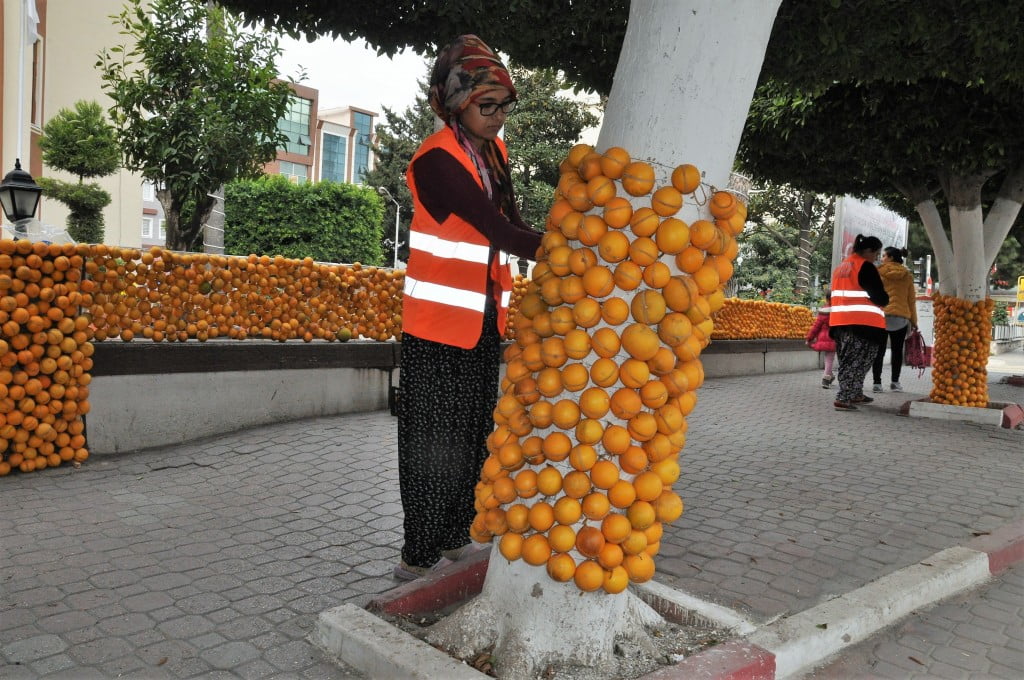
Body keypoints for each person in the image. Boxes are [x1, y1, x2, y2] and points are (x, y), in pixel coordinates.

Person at [394, 35, 542, 581]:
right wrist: (578, 247)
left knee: (473, 432)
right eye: (487, 106)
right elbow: (497, 229)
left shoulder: (492, 154)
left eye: (504, 106)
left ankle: (456, 534)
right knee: (431, 439)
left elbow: (515, 224)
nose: (498, 117)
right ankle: (417, 554)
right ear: (457, 102)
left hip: (481, 322)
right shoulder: (436, 161)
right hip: (435, 327)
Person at [829, 234, 889, 411]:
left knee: (850, 360)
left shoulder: (842, 267)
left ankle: (855, 393)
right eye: (876, 254)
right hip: (862, 324)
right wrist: (885, 298)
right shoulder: (865, 267)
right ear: (868, 251)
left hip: (840, 322)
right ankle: (844, 397)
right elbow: (879, 296)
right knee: (857, 362)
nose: (877, 258)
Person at [871, 246, 918, 392]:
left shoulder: (878, 274)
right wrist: (914, 321)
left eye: (884, 255)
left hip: (881, 315)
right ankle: (895, 382)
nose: (882, 258)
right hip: (901, 317)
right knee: (897, 352)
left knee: (879, 351)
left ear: (891, 257)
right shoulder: (907, 276)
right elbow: (911, 300)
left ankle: (877, 383)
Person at [806, 296, 837, 389]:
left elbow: (816, 326)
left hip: (824, 337)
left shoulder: (824, 311)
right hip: (835, 337)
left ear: (827, 299)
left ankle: (828, 375)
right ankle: (827, 377)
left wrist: (809, 338)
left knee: (828, 357)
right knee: (830, 358)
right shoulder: (839, 311)